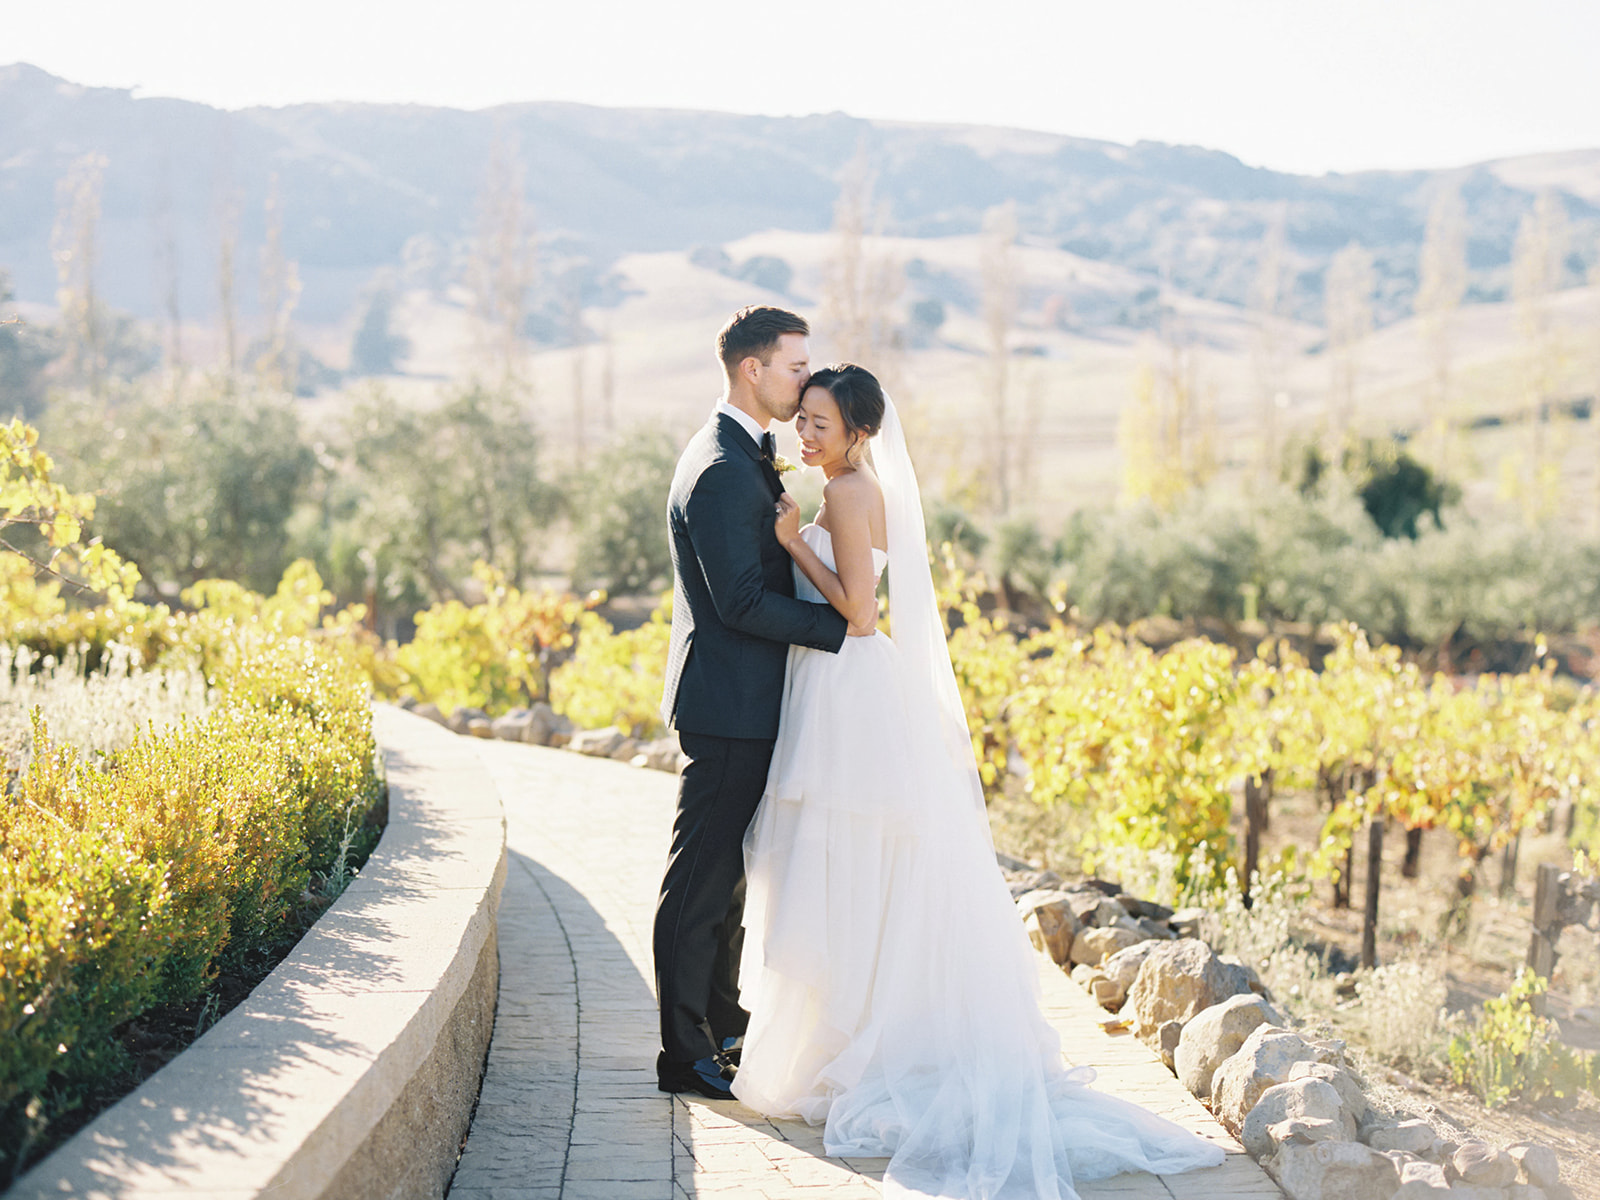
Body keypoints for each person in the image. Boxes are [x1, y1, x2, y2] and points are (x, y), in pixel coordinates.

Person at [731, 363, 1227, 1198]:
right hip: (836, 684)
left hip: (848, 682)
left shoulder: (850, 496)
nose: (805, 434)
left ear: (858, 435)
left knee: (845, 860)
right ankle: (842, 1039)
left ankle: (856, 1046)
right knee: (846, 865)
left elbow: (858, 613)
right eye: (803, 420)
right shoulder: (843, 488)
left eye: (820, 424)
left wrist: (789, 547)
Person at [655, 307, 877, 1101]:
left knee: (729, 884)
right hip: (726, 706)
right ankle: (683, 1054)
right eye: (794, 367)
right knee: (700, 882)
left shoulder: (747, 456)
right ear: (754, 370)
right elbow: (742, 601)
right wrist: (843, 628)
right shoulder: (718, 465)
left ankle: (721, 1027)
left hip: (748, 701)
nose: (803, 379)